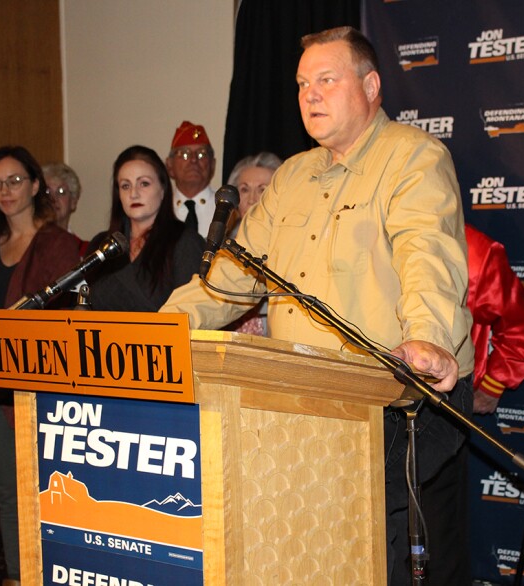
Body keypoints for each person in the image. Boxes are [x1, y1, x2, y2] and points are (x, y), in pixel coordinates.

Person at [161, 26, 473, 584]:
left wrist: (427, 337)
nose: (310, 95)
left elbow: (428, 256)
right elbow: (231, 276)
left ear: (371, 86)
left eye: (326, 80)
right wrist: (160, 331)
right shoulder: (293, 176)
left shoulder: (413, 158)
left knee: (360, 536)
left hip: (398, 394)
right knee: (305, 537)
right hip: (306, 397)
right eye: (303, 84)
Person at [0, 145, 81, 586]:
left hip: (43, 396)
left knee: (51, 497)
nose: (5, 191)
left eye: (14, 181)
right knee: (10, 498)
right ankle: (17, 576)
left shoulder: (59, 246)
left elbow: (70, 325)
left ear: (34, 186)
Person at [85, 145, 202, 312]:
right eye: (125, 186)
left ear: (163, 189)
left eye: (144, 184)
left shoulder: (185, 242)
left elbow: (192, 311)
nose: (134, 194)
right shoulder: (102, 245)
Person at [465, 224, 524, 414]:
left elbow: (521, 324)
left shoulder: (475, 251)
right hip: (391, 386)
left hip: (445, 396)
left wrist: (493, 384)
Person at [224, 152, 283, 335]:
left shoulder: (290, 245)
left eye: (262, 190)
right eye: (244, 189)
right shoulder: (225, 245)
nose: (252, 199)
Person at [165, 121, 216, 239]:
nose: (193, 160)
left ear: (213, 164)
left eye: (201, 154)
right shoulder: (158, 210)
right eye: (184, 154)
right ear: (169, 165)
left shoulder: (228, 211)